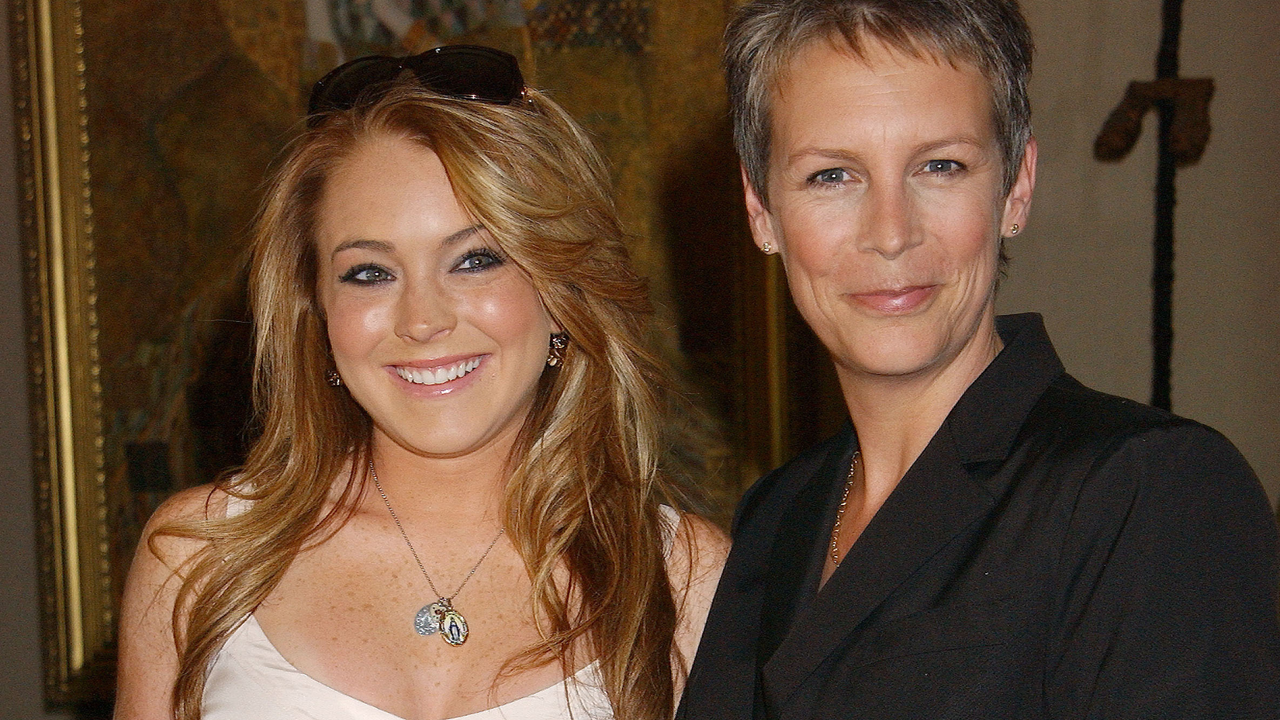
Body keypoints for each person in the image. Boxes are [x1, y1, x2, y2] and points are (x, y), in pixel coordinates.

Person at [678, 1, 1280, 718]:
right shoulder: (776, 518)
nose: (891, 233)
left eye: (940, 165)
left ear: (1016, 186)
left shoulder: (1147, 493)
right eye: (832, 176)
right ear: (761, 210)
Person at [116, 45, 728, 720]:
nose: (423, 320)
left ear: (561, 292)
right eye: (369, 273)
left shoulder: (685, 577)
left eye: (474, 260)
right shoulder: (200, 558)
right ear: (316, 310)